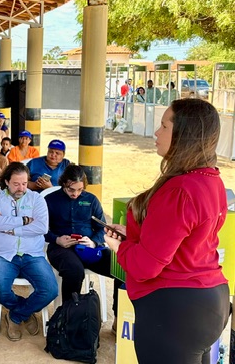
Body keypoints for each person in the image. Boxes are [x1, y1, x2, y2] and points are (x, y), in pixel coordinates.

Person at [104, 100, 230, 363]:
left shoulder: (180, 189)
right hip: (209, 299)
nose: (156, 132)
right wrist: (135, 234)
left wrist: (119, 246)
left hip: (175, 309)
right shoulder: (210, 179)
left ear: (185, 134)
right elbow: (187, 239)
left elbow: (146, 266)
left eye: (164, 126)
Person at [0, 163, 58, 341]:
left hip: (32, 254)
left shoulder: (36, 198)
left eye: (24, 183)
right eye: (16, 184)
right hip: (4, 254)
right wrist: (24, 220)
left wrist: (12, 229)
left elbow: (42, 227)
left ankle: (16, 316)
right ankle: (26, 310)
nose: (21, 188)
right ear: (6, 182)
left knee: (50, 290)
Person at [44, 165, 122, 326]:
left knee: (121, 266)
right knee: (74, 271)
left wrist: (93, 242)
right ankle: (68, 320)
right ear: (63, 183)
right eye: (71, 190)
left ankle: (119, 318)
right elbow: (40, 230)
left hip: (88, 247)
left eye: (80, 190)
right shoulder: (50, 200)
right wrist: (57, 239)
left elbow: (102, 228)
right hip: (60, 248)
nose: (76, 194)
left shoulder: (91, 199)